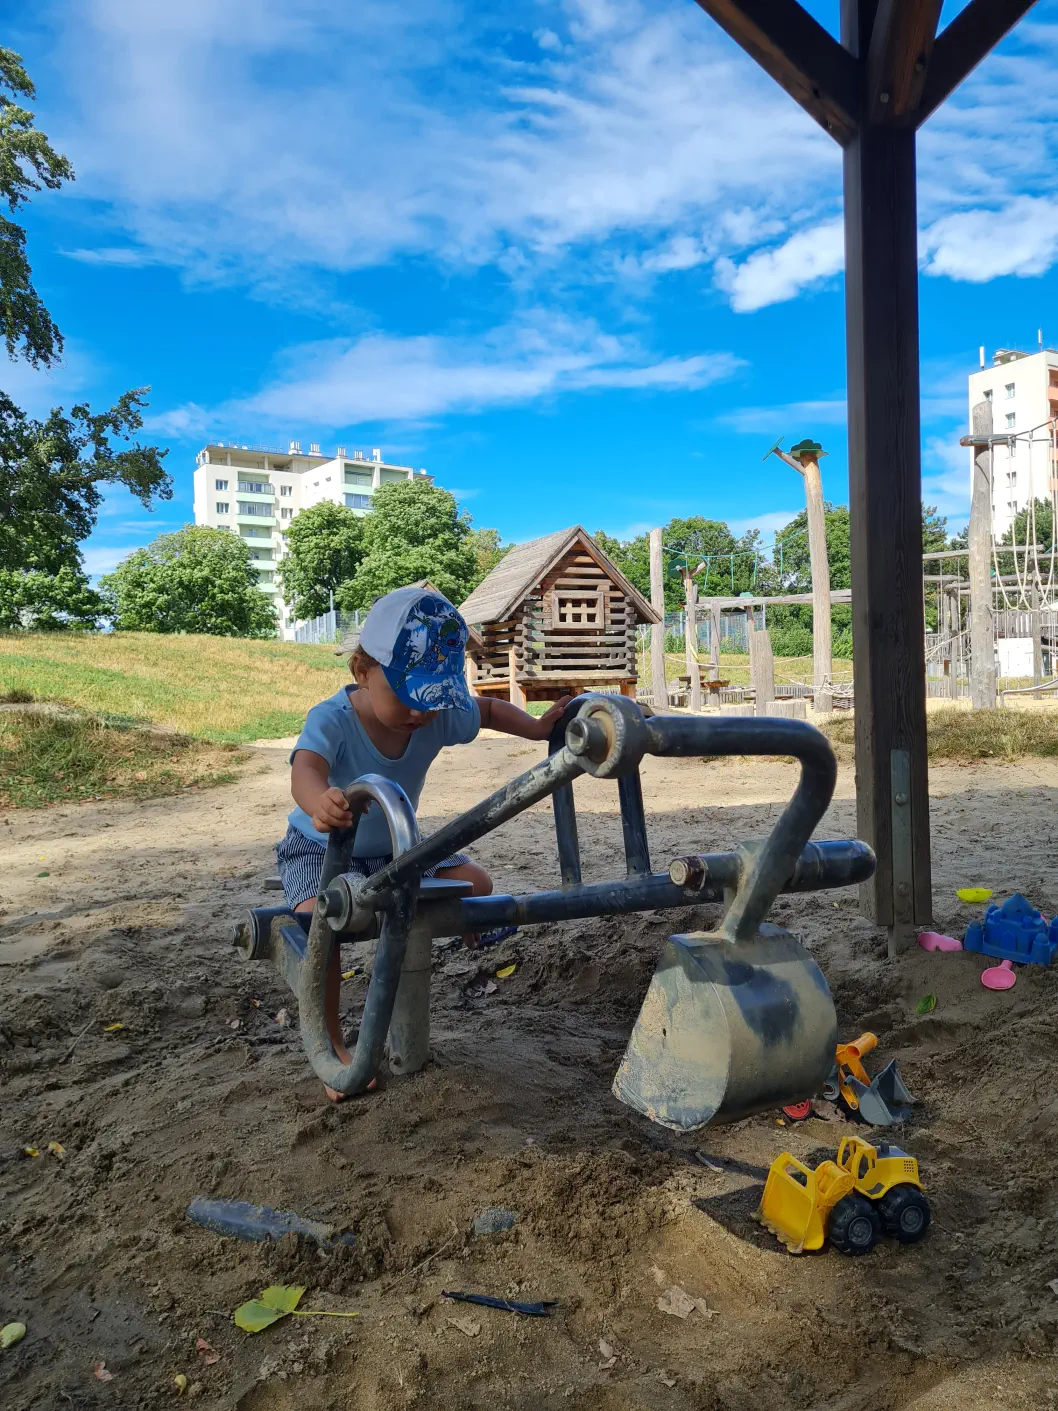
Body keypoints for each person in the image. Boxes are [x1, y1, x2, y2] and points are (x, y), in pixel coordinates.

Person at [277, 584, 571, 1100]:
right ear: (361, 671)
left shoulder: (434, 717)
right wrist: (318, 800)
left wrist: (536, 728)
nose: (420, 713)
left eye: (432, 699)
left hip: (397, 845)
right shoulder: (334, 719)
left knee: (476, 884)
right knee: (323, 925)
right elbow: (306, 768)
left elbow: (489, 711)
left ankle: (466, 938)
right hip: (321, 847)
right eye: (409, 696)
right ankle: (332, 1046)